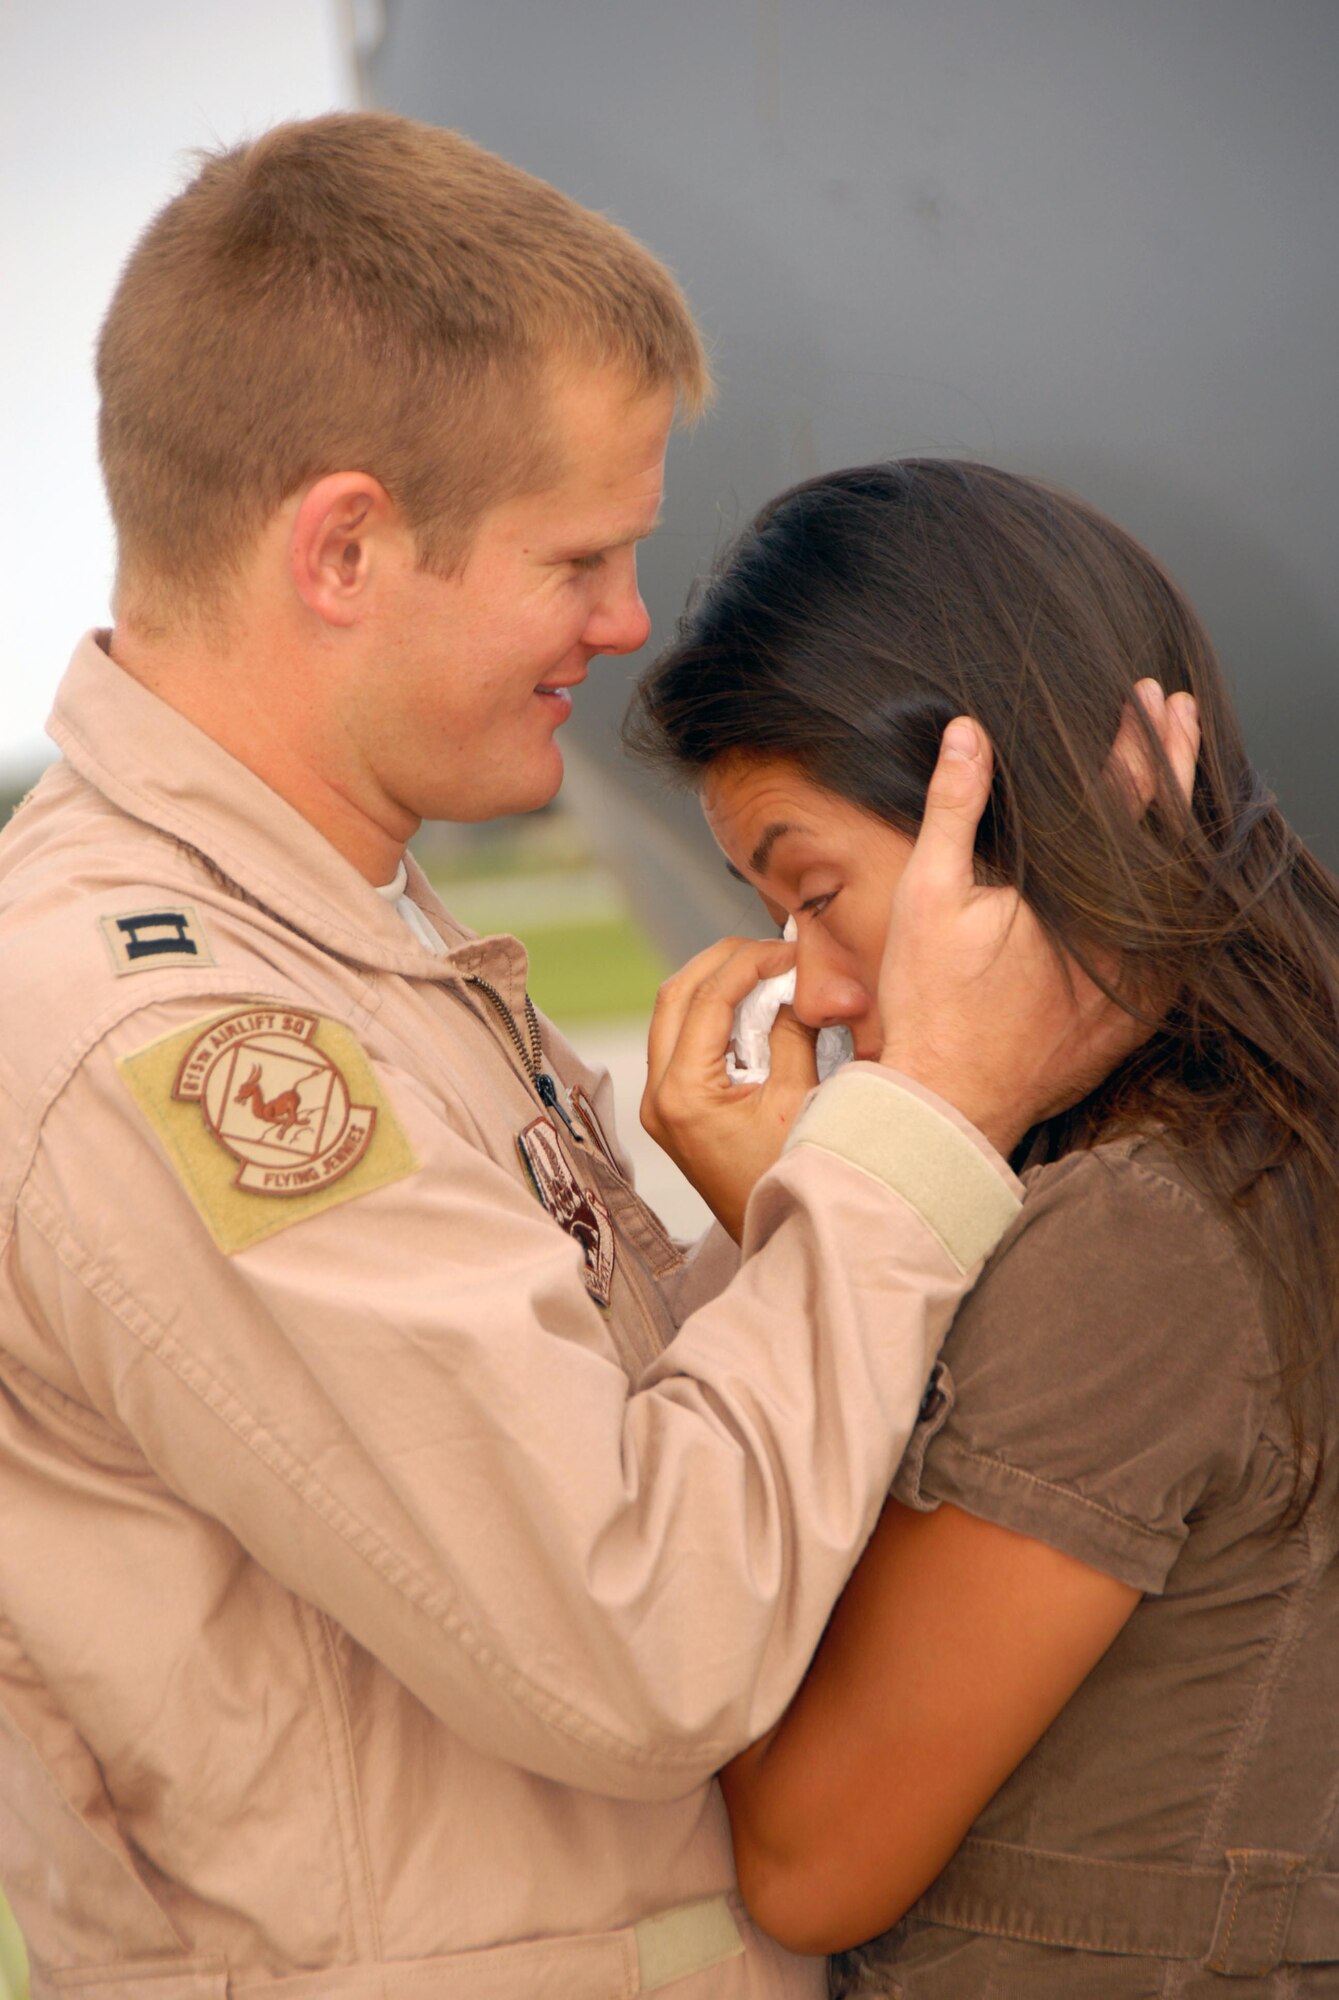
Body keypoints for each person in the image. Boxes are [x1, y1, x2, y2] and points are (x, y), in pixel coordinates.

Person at [0, 117, 1160, 1996]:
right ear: (349, 546)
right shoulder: (178, 1038)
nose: (625, 624)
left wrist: (773, 1226)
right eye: (582, 556)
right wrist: (921, 1129)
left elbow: (549, 1458)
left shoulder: (344, 936)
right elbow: (638, 1636)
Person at [627, 457, 1339, 1997]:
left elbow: (810, 1861)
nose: (808, 986)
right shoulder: (1257, 1147)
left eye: (816, 891)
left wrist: (804, 1257)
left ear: (1091, 795)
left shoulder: (1141, 1243)